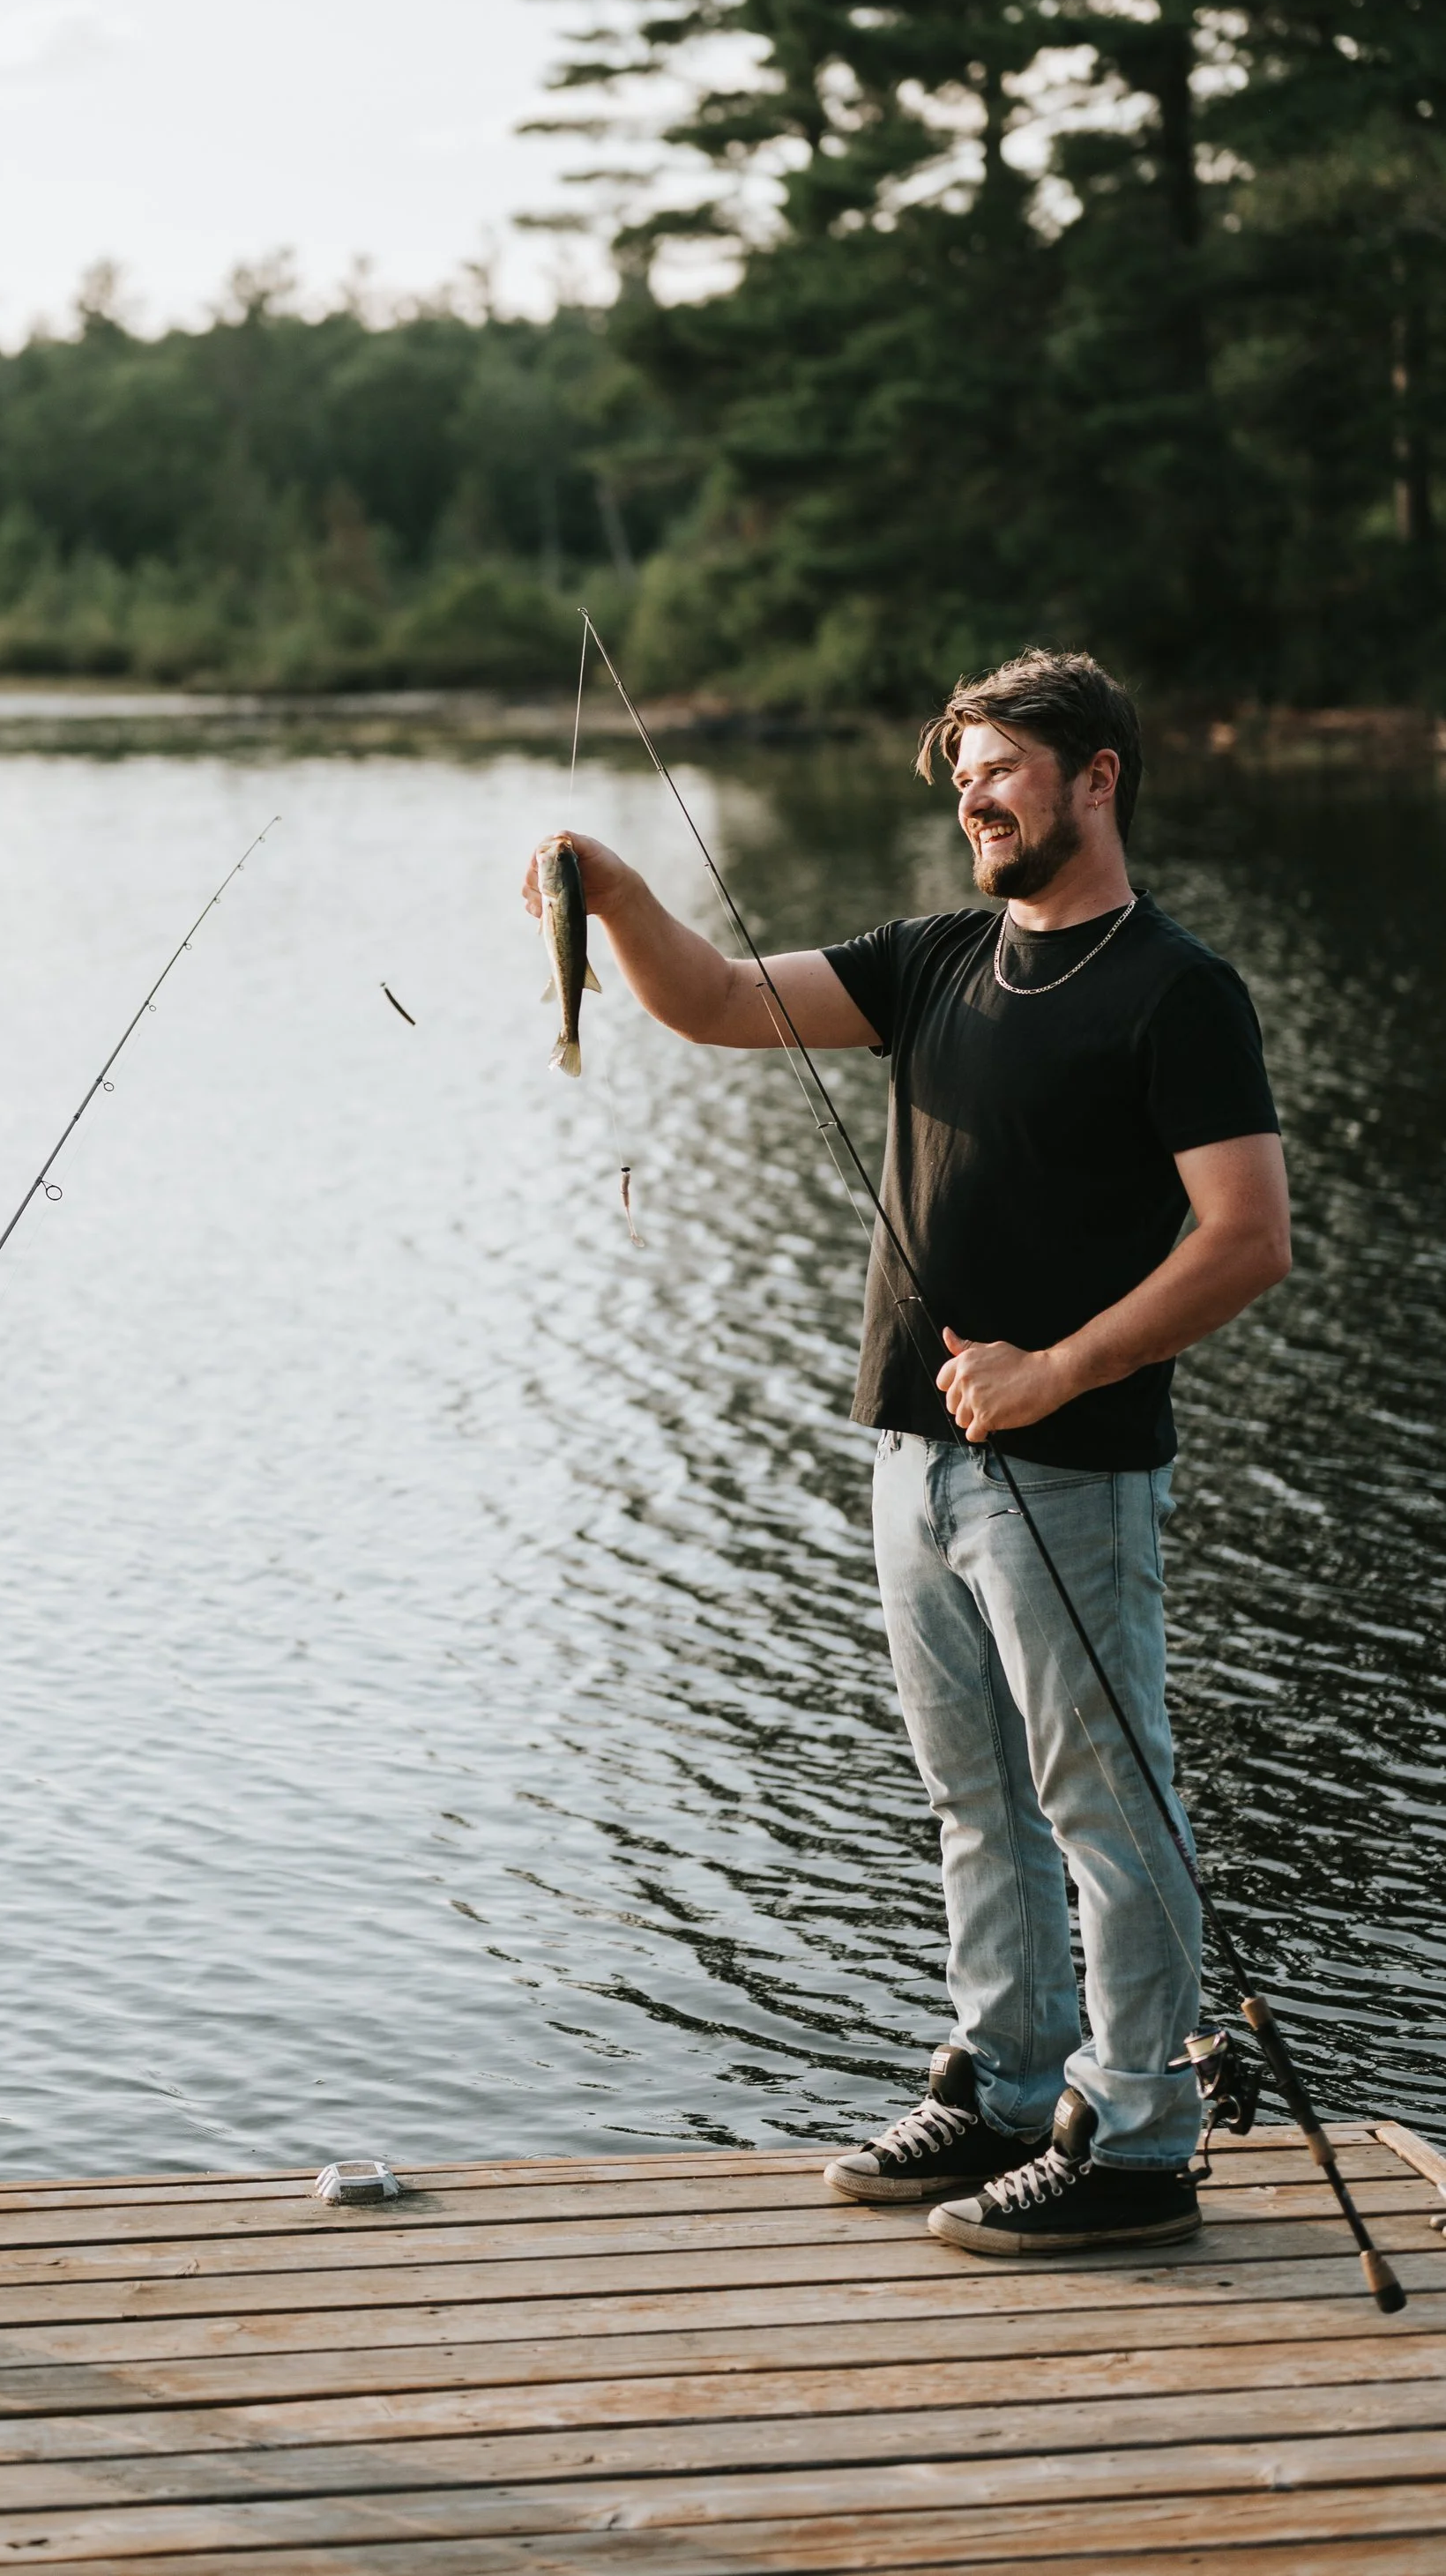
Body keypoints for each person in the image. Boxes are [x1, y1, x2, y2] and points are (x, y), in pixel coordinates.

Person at [525, 648, 1289, 2260]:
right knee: (973, 1798)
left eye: (1002, 768)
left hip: (1072, 1467)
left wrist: (1055, 1370)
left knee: (1105, 1803)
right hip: (914, 1456)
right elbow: (715, 1002)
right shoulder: (935, 957)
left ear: (1097, 778)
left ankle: (1139, 2139)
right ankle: (1007, 2085)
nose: (973, 798)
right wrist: (614, 893)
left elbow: (1247, 1239)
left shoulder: (1179, 990)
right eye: (963, 774)